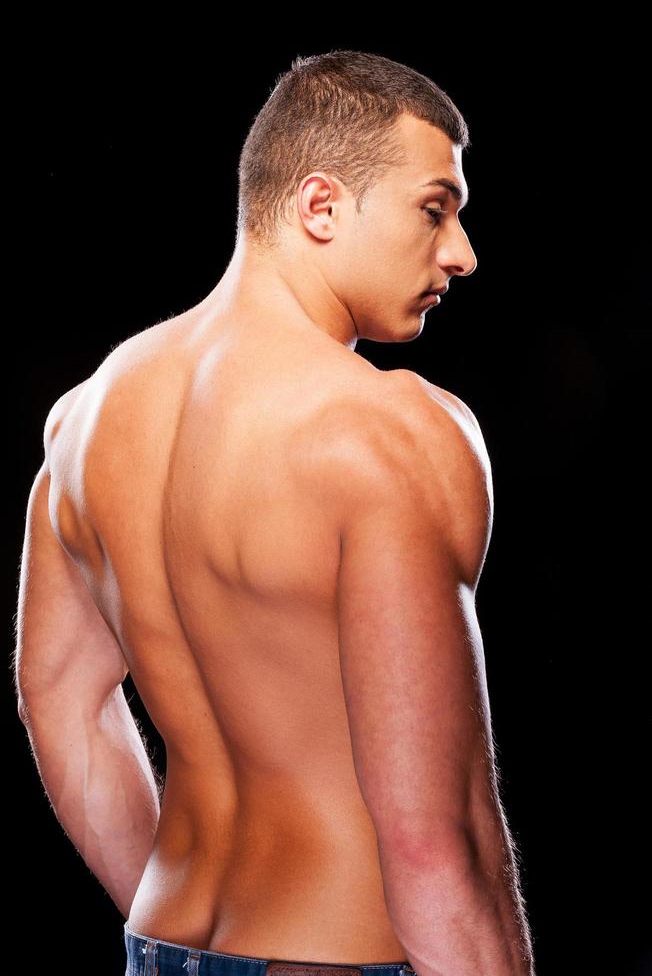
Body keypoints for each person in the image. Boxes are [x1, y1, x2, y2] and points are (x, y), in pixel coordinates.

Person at [13, 50, 536, 976]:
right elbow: (436, 839)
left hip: (162, 945)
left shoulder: (84, 418)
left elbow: (63, 703)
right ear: (321, 205)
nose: (461, 253)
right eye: (434, 208)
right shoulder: (386, 434)